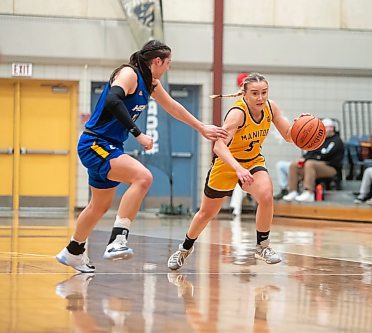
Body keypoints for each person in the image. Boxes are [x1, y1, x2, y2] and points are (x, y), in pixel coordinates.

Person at [56, 40, 228, 273]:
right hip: (95, 142)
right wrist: (138, 134)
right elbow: (112, 100)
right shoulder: (129, 74)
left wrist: (201, 127)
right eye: (168, 63)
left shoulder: (150, 83)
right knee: (143, 177)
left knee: (99, 206)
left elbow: (173, 107)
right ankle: (117, 241)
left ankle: (73, 251)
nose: (168, 67)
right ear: (157, 61)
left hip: (109, 145)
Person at [167, 73, 296, 270]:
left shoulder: (271, 107)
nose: (260, 98)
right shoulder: (238, 113)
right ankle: (185, 249)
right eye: (255, 93)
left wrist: (300, 127)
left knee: (267, 195)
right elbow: (218, 147)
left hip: (252, 161)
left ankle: (262, 246)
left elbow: (288, 136)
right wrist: (237, 168)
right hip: (227, 164)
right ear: (244, 94)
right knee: (206, 214)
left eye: (264, 93)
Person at [282, 118, 345, 202]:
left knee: (309, 163)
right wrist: (304, 158)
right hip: (315, 167)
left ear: (332, 128)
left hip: (331, 168)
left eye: (328, 128)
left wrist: (310, 158)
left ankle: (309, 192)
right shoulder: (320, 140)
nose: (326, 130)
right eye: (324, 128)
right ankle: (292, 191)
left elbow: (324, 155)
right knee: (294, 165)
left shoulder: (337, 141)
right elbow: (310, 153)